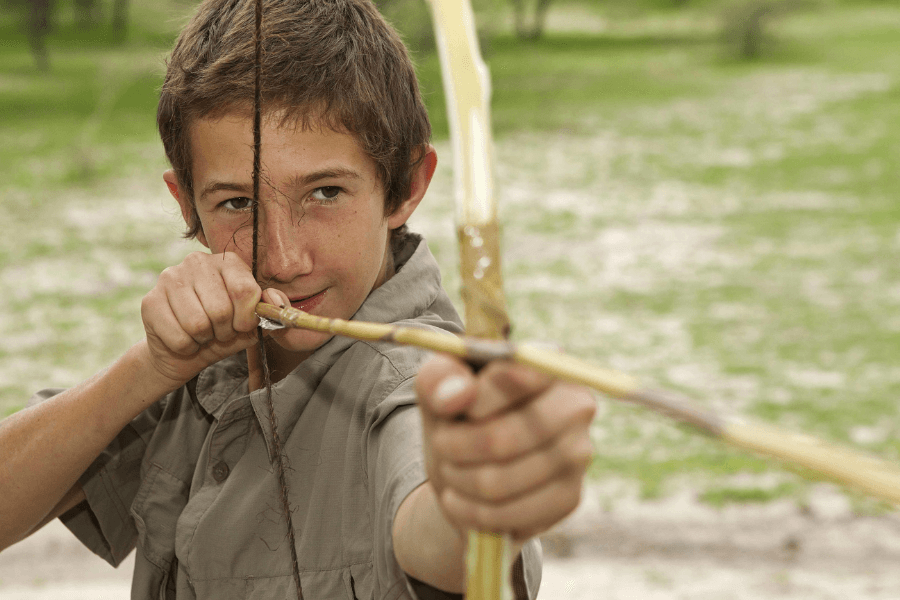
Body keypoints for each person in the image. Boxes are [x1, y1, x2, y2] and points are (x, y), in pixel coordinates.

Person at [0, 0, 596, 598]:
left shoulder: (415, 379)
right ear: (186, 205)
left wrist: (479, 502)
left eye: (326, 192)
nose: (283, 260)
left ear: (406, 186)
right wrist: (148, 370)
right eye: (236, 203)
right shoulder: (208, 362)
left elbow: (445, 533)